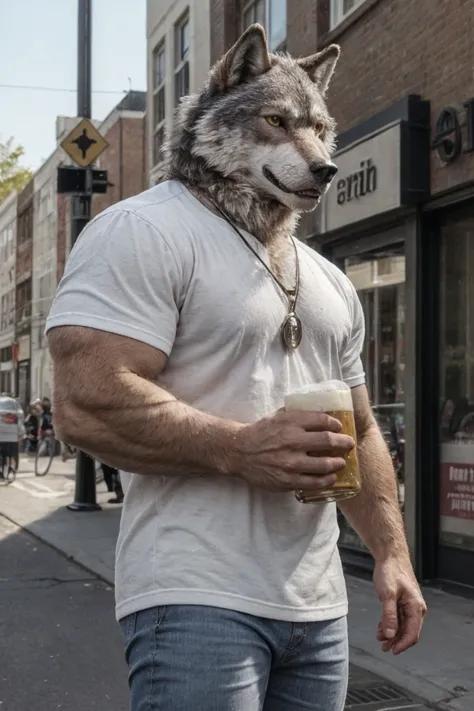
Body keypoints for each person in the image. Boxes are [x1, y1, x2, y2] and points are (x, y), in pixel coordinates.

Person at [46, 26, 426, 711]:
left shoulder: (328, 279)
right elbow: (85, 401)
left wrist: (394, 555)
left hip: (319, 608)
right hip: (194, 597)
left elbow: (363, 430)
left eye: (317, 129)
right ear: (223, 102)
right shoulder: (143, 230)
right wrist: (237, 449)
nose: (315, 155)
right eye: (278, 124)